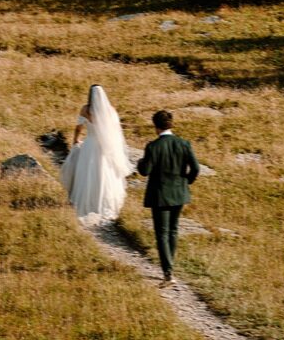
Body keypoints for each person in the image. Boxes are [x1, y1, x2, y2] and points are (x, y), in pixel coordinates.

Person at [137, 109, 200, 287]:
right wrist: (186, 182)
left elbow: (145, 171)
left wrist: (140, 162)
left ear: (155, 126)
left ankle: (168, 272)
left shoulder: (153, 146)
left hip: (160, 195)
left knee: (162, 233)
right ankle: (170, 266)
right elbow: (195, 168)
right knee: (173, 230)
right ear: (170, 124)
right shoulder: (184, 144)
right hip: (179, 193)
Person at [60, 84, 133, 224]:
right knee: (104, 174)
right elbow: (115, 131)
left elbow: (78, 128)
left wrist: (75, 141)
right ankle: (104, 202)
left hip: (90, 145)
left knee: (88, 174)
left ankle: (87, 203)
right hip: (105, 147)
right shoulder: (110, 111)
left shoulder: (86, 110)